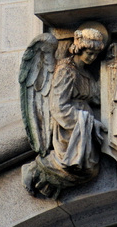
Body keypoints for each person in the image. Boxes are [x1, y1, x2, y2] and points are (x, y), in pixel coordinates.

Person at [23, 28, 106, 198]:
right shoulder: (66, 70)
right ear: (79, 49)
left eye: (95, 55)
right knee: (81, 169)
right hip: (71, 127)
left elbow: (96, 97)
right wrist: (87, 121)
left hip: (84, 125)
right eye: (89, 53)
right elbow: (58, 106)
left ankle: (50, 182)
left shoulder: (86, 74)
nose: (92, 58)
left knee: (90, 170)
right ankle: (38, 170)